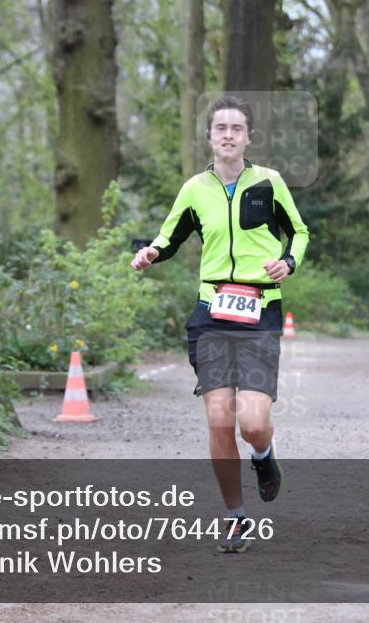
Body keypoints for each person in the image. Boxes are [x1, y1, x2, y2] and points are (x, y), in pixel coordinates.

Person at [131, 95, 309, 553]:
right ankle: (236, 517)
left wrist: (288, 262)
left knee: (251, 423)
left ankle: (264, 456)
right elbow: (169, 236)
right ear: (209, 137)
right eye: (220, 128)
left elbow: (300, 232)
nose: (228, 135)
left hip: (259, 310)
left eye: (236, 128)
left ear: (248, 137)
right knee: (218, 418)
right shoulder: (195, 189)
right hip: (211, 312)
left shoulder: (269, 182)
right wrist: (150, 252)